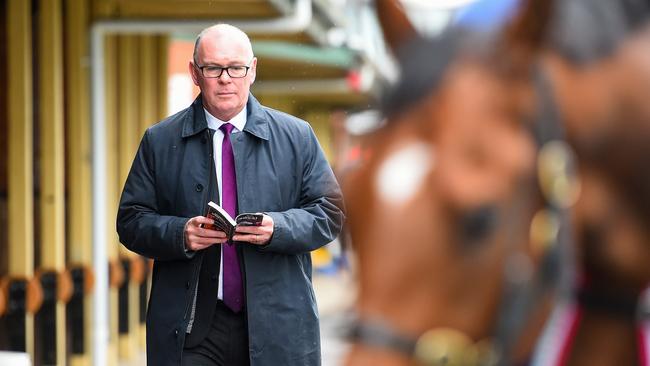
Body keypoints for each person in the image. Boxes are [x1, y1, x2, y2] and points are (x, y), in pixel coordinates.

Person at [117, 24, 345, 366]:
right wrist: (180, 233)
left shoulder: (297, 137)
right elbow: (131, 220)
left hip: (278, 326)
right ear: (195, 73)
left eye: (236, 68)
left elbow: (329, 212)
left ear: (252, 70)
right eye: (213, 68)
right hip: (191, 329)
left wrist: (277, 228)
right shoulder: (160, 141)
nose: (226, 78)